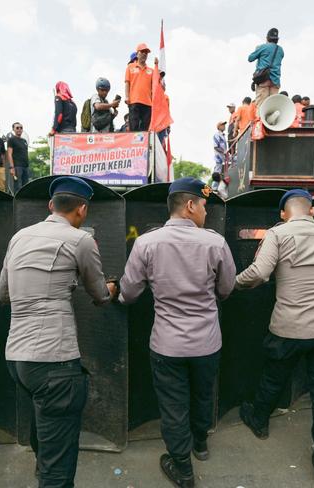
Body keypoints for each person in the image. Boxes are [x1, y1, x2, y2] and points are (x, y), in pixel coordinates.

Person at [0, 176, 117, 488]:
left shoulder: (19, 237)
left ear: (51, 205)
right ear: (82, 209)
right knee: (59, 465)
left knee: (44, 429)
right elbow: (101, 296)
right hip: (55, 364)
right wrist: (112, 287)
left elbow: (2, 293)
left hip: (18, 361)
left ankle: (43, 467)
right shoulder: (81, 240)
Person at [119, 177, 236, 488]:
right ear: (189, 206)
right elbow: (226, 289)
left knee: (173, 405)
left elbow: (128, 293)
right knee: (202, 395)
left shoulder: (146, 243)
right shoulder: (215, 243)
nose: (206, 213)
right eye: (204, 206)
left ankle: (182, 467)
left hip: (167, 345)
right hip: (207, 343)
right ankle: (200, 444)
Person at [236, 189, 314, 488]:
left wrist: (232, 284)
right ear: (312, 211)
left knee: (274, 377)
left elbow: (259, 273)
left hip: (291, 326)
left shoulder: (278, 233)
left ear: (283, 213)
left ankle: (259, 421)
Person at [248, 28, 284, 108]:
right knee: (272, 107)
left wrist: (258, 49)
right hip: (275, 81)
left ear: (267, 38)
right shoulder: (281, 50)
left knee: (261, 106)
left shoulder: (263, 47)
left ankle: (261, 120)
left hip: (263, 80)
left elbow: (250, 58)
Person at [125, 43, 154, 131]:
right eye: (143, 52)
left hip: (148, 103)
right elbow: (127, 83)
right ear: (137, 53)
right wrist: (127, 97)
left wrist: (157, 65)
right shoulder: (130, 67)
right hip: (134, 101)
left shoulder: (151, 71)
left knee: (145, 128)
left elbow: (155, 87)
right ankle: (133, 144)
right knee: (134, 127)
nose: (145, 54)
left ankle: (142, 144)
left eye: (146, 52)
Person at [6, 122, 30, 193]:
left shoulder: (24, 141)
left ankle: (24, 201)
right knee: (18, 186)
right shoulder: (11, 140)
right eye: (17, 128)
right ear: (13, 129)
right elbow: (9, 154)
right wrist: (12, 167)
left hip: (25, 166)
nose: (19, 129)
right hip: (17, 166)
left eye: (21, 128)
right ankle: (16, 202)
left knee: (25, 186)